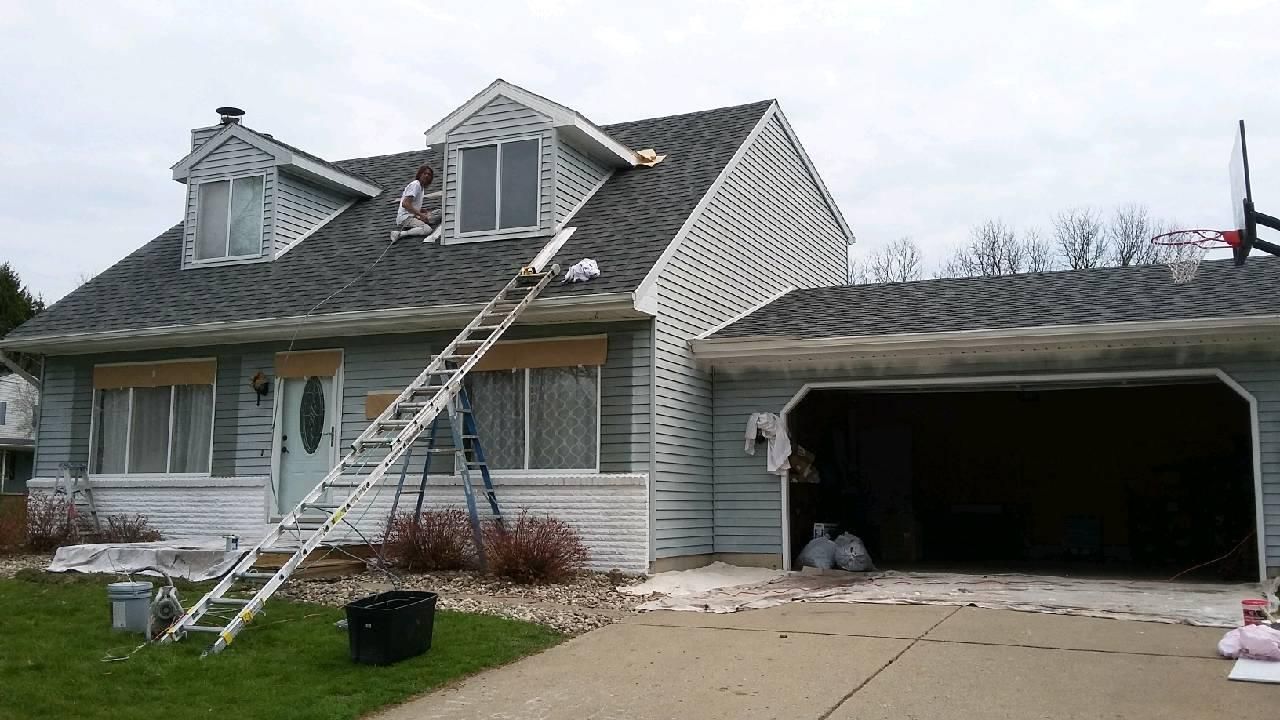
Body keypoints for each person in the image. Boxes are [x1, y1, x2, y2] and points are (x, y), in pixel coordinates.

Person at [390, 164, 440, 241]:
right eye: (424, 173)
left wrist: (421, 210)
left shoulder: (421, 187)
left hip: (411, 215)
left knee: (438, 213)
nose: (426, 176)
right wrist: (421, 215)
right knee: (427, 229)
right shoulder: (415, 185)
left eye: (429, 174)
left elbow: (410, 204)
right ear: (420, 174)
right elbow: (405, 204)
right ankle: (398, 234)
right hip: (405, 218)